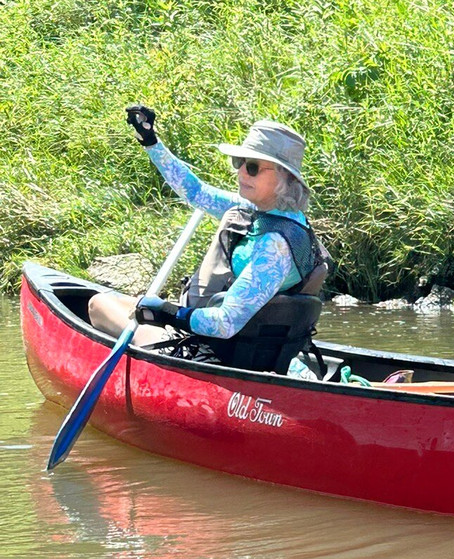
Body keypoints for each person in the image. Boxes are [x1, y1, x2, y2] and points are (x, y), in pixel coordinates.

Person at [88, 106, 325, 371]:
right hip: (240, 347)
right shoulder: (275, 215)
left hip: (213, 354)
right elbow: (196, 192)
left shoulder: (276, 245)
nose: (241, 173)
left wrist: (170, 313)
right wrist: (152, 142)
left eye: (253, 167)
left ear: (285, 177)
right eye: (239, 163)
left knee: (99, 305)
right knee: (116, 302)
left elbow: (225, 323)